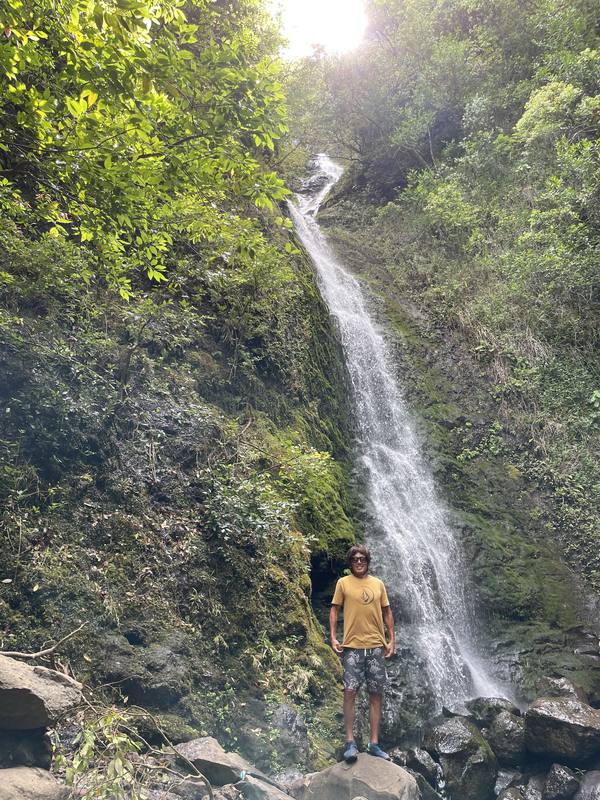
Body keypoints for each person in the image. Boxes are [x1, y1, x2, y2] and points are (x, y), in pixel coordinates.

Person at [329, 544, 396, 762]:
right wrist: (333, 636)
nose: (359, 562)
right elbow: (334, 609)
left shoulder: (378, 584)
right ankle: (350, 743)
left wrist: (391, 639)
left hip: (376, 647)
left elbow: (387, 611)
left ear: (367, 561)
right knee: (349, 692)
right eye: (355, 559)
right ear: (351, 562)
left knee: (376, 694)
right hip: (352, 647)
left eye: (363, 559)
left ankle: (374, 744)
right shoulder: (343, 583)